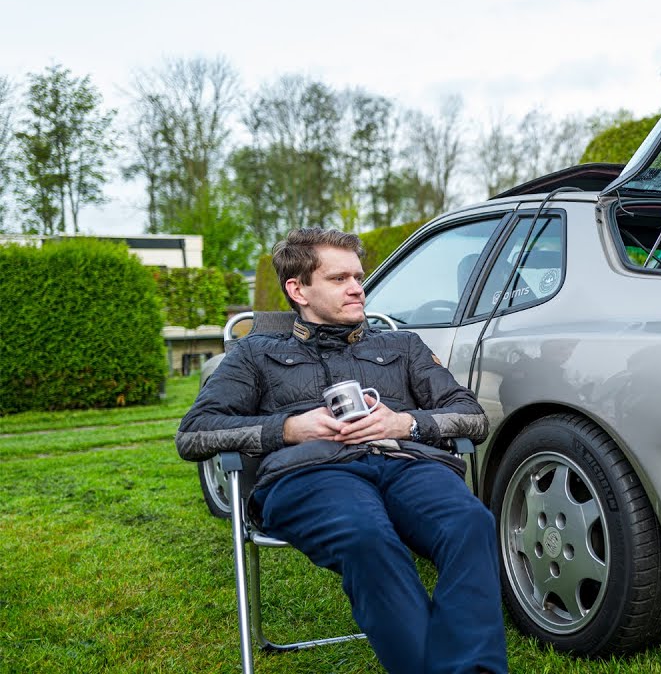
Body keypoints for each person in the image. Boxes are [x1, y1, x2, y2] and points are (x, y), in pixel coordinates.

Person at [176, 228, 507, 674]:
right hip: (310, 474)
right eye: (339, 279)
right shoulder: (254, 353)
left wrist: (403, 422)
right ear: (298, 289)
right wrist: (288, 428)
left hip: (404, 462)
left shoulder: (401, 345)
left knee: (470, 522)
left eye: (358, 276)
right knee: (364, 536)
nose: (357, 288)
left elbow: (470, 416)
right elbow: (195, 434)